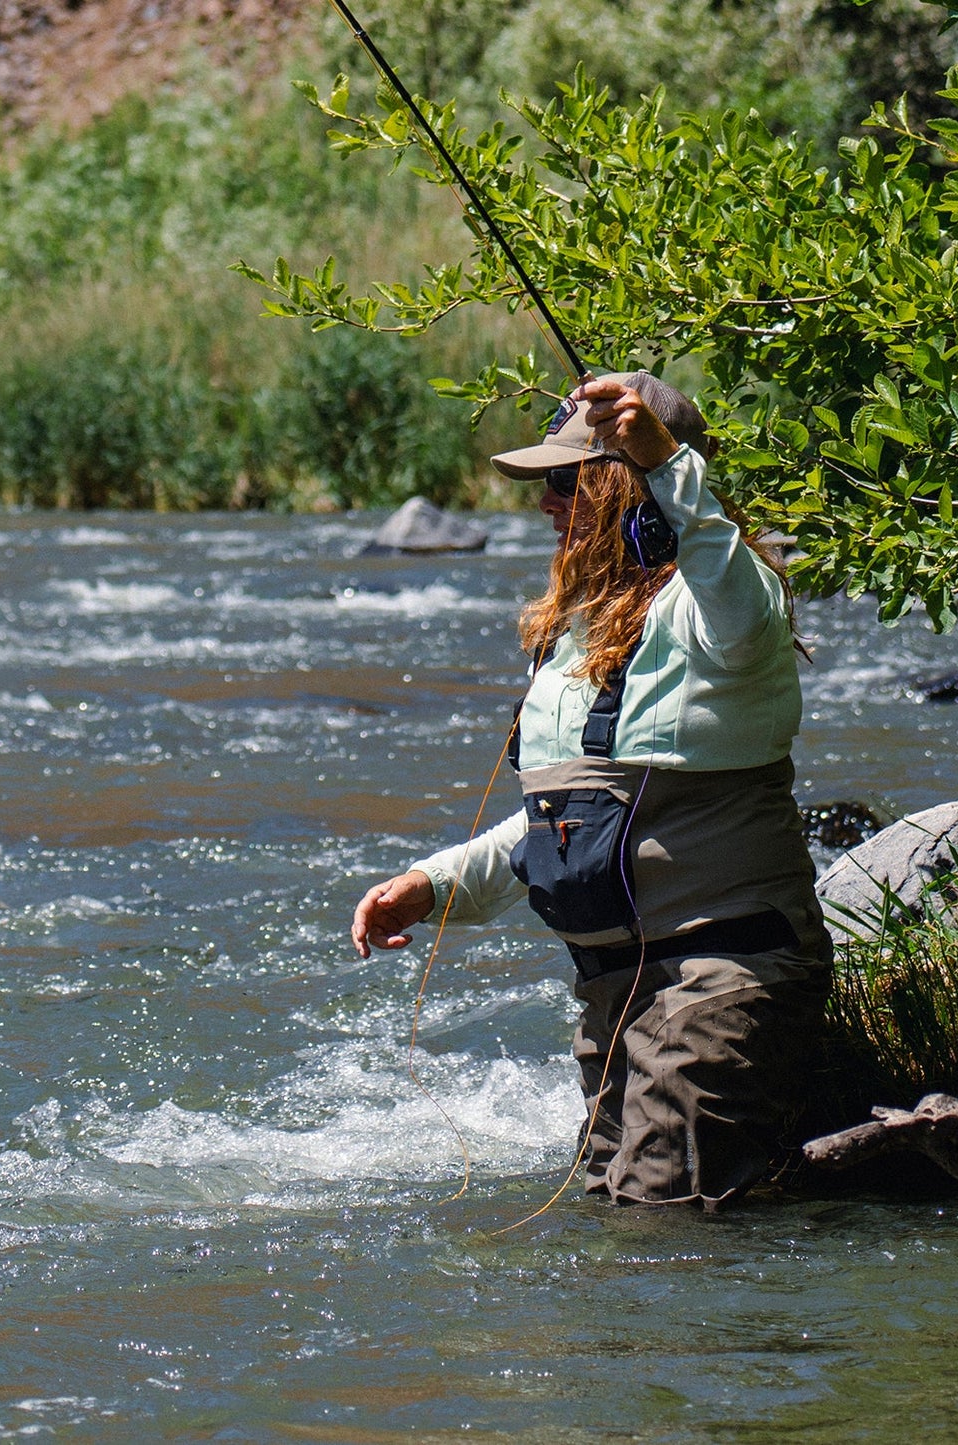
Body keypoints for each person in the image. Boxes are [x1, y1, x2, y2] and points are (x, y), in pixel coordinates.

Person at [351, 371, 832, 1210]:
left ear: (630, 488)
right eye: (543, 484)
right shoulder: (574, 640)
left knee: (660, 1227)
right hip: (612, 997)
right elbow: (565, 824)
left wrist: (667, 465)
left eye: (568, 481)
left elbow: (735, 590)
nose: (547, 503)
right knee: (611, 1219)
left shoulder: (715, 614)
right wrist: (434, 884)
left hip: (719, 978)